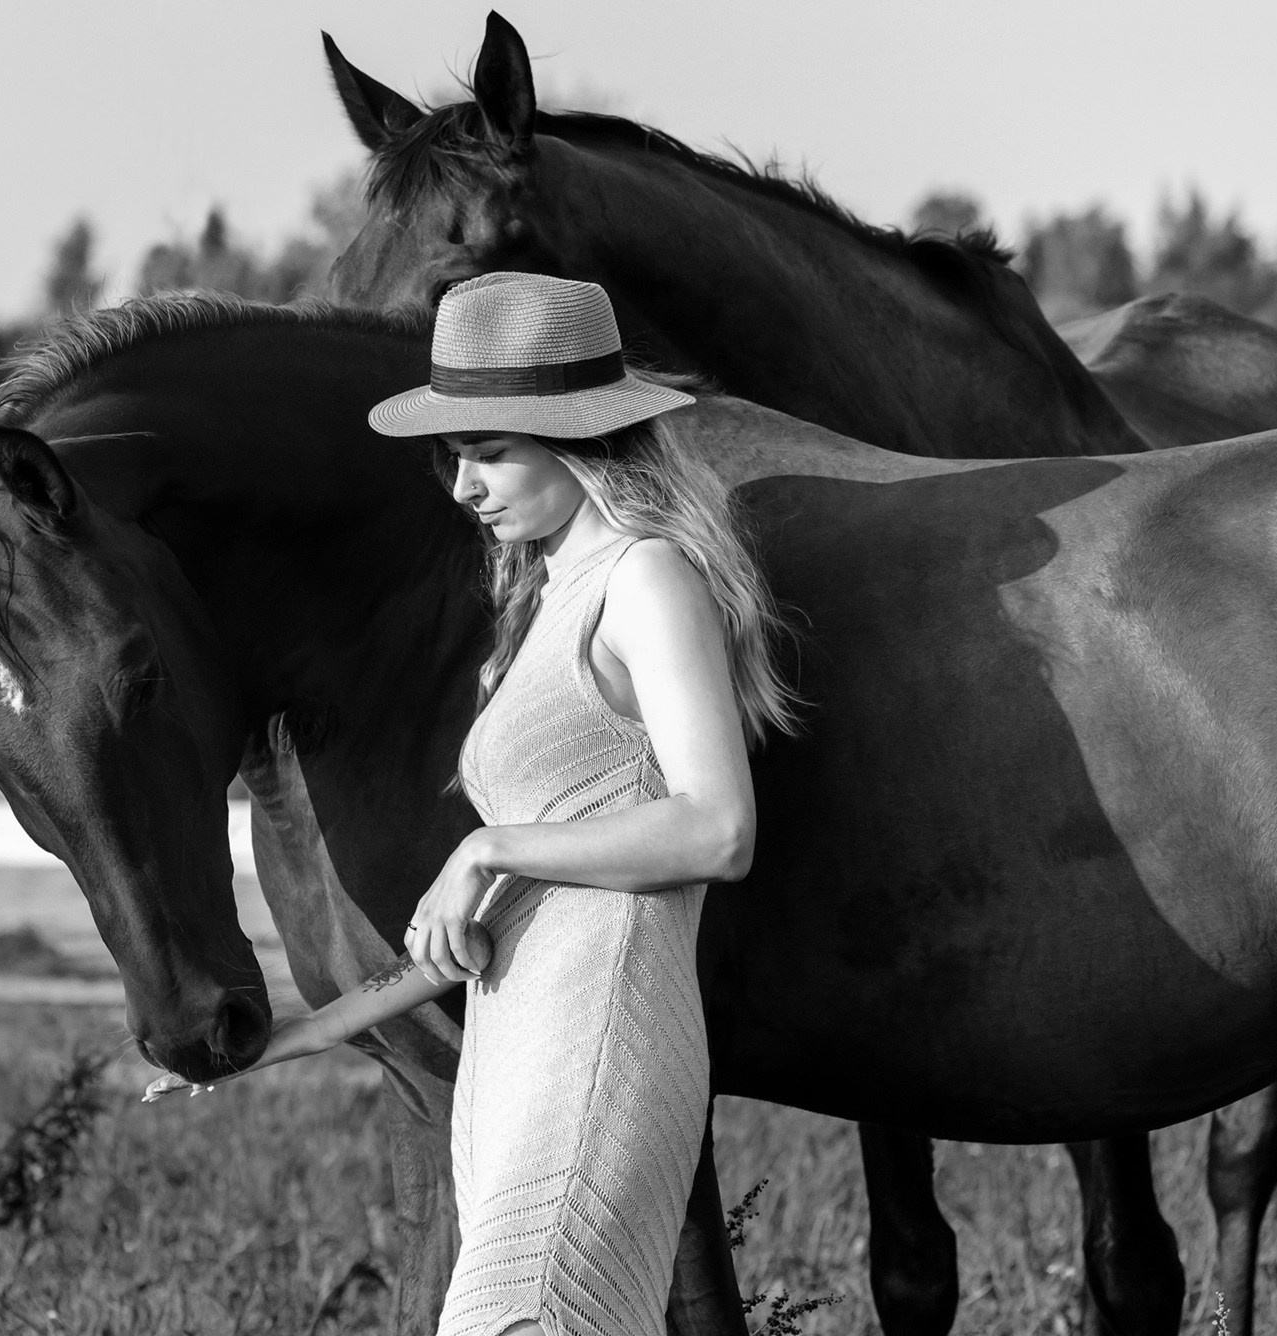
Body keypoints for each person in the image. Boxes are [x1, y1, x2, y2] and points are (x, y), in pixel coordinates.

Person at [147, 272, 797, 1336]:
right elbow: (481, 935)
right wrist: (297, 1040)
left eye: (489, 451)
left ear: (578, 440)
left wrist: (490, 845)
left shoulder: (646, 580)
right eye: (451, 455)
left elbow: (718, 828)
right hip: (517, 1048)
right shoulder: (541, 602)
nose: (460, 487)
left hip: (596, 1036)